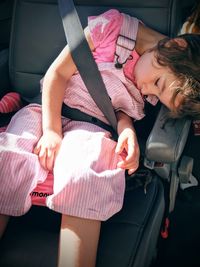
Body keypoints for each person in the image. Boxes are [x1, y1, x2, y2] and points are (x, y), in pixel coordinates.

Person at [0, 9, 200, 267]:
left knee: (90, 169)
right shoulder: (110, 27)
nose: (148, 91)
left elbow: (119, 109)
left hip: (93, 128)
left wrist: (127, 130)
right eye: (158, 84)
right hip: (47, 111)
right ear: (175, 45)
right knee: (9, 157)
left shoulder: (153, 69)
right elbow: (57, 75)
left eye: (157, 95)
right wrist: (51, 131)